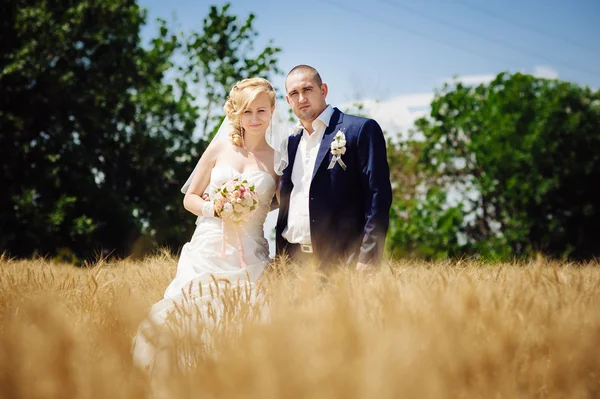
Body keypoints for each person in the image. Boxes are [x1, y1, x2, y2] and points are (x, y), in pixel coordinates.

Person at [132, 77, 288, 372]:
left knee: (245, 319)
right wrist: (215, 208)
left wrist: (251, 209)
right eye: (247, 111)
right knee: (185, 316)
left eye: (261, 111)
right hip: (208, 245)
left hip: (250, 251)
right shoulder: (219, 149)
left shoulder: (279, 159)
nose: (254, 119)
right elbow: (189, 198)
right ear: (236, 113)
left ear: (272, 110)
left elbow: (283, 203)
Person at [275, 65, 392, 272]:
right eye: (294, 93)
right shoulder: (289, 144)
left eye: (307, 89)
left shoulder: (360, 130)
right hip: (291, 263)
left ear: (323, 90)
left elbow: (377, 196)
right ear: (288, 101)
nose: (301, 98)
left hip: (341, 261)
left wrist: (369, 256)